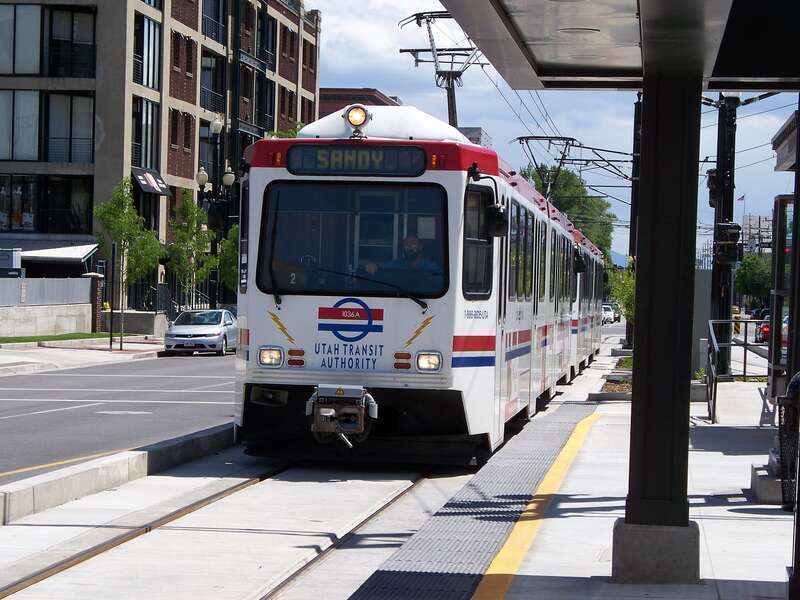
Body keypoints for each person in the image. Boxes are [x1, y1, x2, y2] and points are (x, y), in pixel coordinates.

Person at [365, 236, 439, 276]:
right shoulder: (397, 264)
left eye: (413, 243)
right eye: (406, 244)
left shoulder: (431, 266)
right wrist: (372, 265)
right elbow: (380, 265)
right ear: (402, 248)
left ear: (420, 247)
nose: (409, 246)